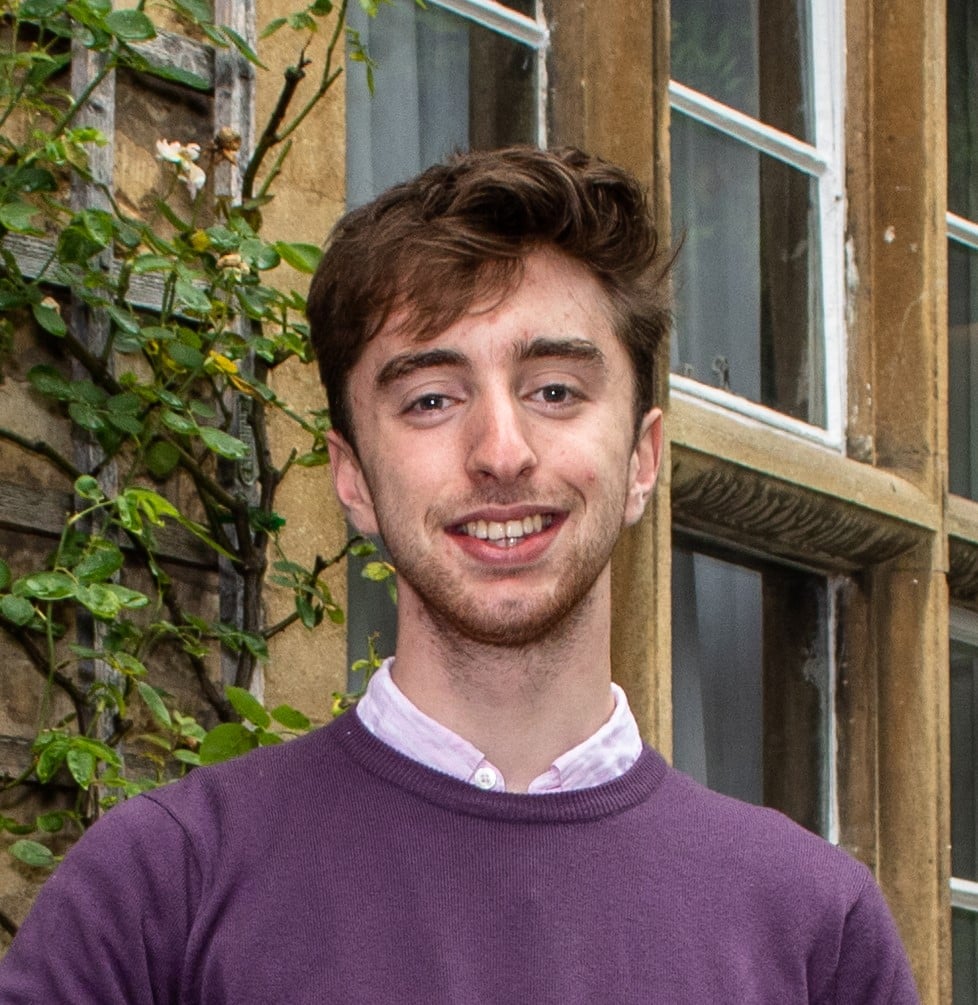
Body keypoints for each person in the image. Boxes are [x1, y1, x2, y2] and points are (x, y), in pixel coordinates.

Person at [0, 146, 918, 1003]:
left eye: (555, 389)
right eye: (432, 399)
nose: (501, 451)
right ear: (352, 476)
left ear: (644, 459)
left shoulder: (812, 928)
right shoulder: (164, 886)